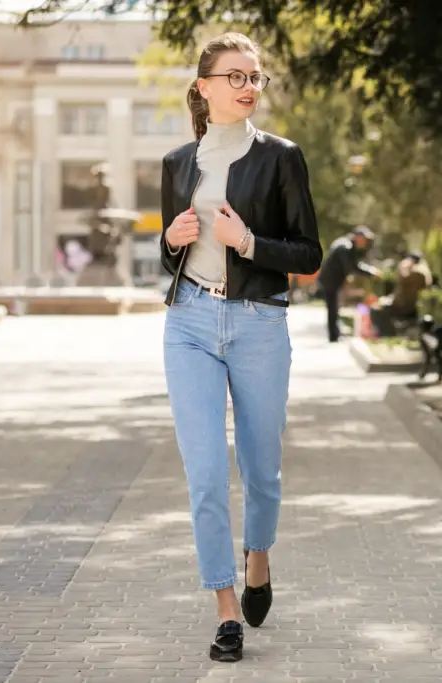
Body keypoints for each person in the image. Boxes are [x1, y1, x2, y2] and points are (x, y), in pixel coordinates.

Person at [158, 32, 322, 663]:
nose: (249, 86)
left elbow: (307, 253)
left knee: (262, 470)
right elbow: (169, 256)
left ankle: (259, 560)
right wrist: (171, 238)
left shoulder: (282, 158)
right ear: (204, 88)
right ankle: (226, 610)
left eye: (256, 77)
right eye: (236, 76)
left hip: (258, 324)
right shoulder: (177, 164)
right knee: (204, 475)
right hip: (190, 324)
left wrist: (249, 243)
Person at [316, 226, 380, 342]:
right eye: (363, 239)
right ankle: (334, 336)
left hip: (332, 280)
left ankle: (335, 333)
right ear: (357, 237)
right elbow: (352, 267)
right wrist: (370, 272)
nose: (365, 242)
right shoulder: (345, 247)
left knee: (334, 307)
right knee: (333, 307)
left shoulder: (346, 244)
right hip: (330, 281)